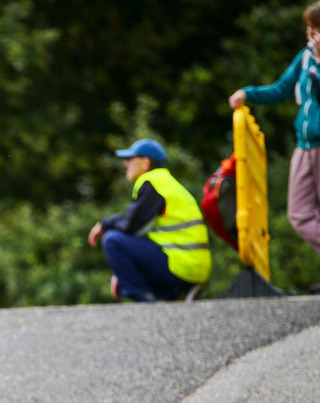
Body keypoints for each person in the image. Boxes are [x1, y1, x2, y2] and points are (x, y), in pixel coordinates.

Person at [229, 1, 320, 294]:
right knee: (299, 214)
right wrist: (248, 93)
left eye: (315, 28)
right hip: (304, 146)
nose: (310, 33)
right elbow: (281, 88)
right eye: (309, 28)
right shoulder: (305, 57)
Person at [87, 139, 212, 302]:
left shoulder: (153, 181)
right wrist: (122, 274)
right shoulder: (169, 183)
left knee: (112, 240)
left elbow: (131, 226)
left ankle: (147, 303)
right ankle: (173, 294)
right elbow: (140, 232)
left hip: (181, 267)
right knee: (125, 258)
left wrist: (105, 224)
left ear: (145, 162)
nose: (125, 163)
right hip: (192, 267)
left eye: (130, 159)